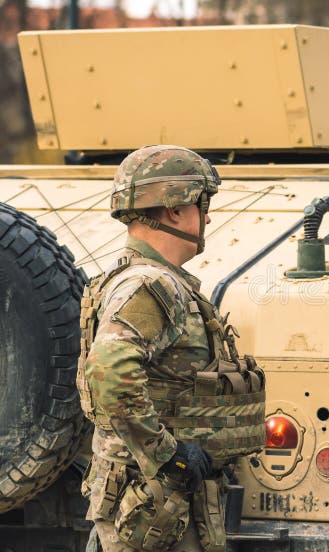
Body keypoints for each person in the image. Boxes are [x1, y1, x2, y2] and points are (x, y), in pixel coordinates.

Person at [77, 145, 266, 551]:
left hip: (155, 501)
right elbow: (109, 370)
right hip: (156, 504)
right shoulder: (152, 285)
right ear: (175, 209)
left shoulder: (138, 279)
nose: (209, 216)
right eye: (203, 203)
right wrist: (169, 453)